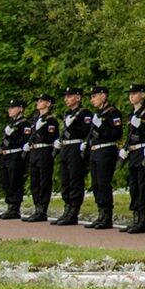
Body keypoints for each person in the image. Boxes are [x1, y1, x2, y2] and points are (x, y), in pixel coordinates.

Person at [82, 85, 123, 231]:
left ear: (103, 96)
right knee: (96, 184)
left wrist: (101, 126)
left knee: (103, 183)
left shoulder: (113, 113)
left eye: (94, 96)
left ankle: (107, 216)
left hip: (106, 150)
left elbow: (116, 134)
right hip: (95, 151)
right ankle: (101, 213)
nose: (92, 100)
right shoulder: (97, 113)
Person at [51, 87, 92, 226]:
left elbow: (86, 131)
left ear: (78, 98)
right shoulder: (68, 113)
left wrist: (72, 127)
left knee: (75, 179)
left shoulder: (84, 113)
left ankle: (73, 211)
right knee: (65, 179)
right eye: (66, 96)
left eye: (69, 96)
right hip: (65, 147)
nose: (66, 99)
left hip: (76, 147)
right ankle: (67, 208)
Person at [120, 84, 145, 233]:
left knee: (143, 185)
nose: (131, 96)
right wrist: (125, 148)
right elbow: (129, 135)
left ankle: (143, 220)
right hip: (133, 152)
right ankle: (135, 217)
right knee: (133, 186)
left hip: (143, 150)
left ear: (143, 95)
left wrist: (140, 125)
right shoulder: (131, 114)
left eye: (134, 93)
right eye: (130, 94)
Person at [0, 98, 31, 220]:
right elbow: (6, 141)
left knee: (15, 181)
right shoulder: (11, 124)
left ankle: (14, 208)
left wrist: (12, 134)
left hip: (16, 155)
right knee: (6, 181)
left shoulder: (25, 124)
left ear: (20, 109)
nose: (9, 110)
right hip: (5, 155)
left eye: (12, 108)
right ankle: (9, 206)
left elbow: (23, 141)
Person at [22, 94, 58, 222]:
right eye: (37, 101)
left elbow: (51, 137)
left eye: (41, 101)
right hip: (34, 151)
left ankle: (42, 209)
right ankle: (37, 207)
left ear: (48, 103)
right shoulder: (36, 118)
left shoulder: (51, 120)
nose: (38, 103)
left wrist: (39, 131)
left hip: (44, 150)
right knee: (34, 181)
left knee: (44, 180)